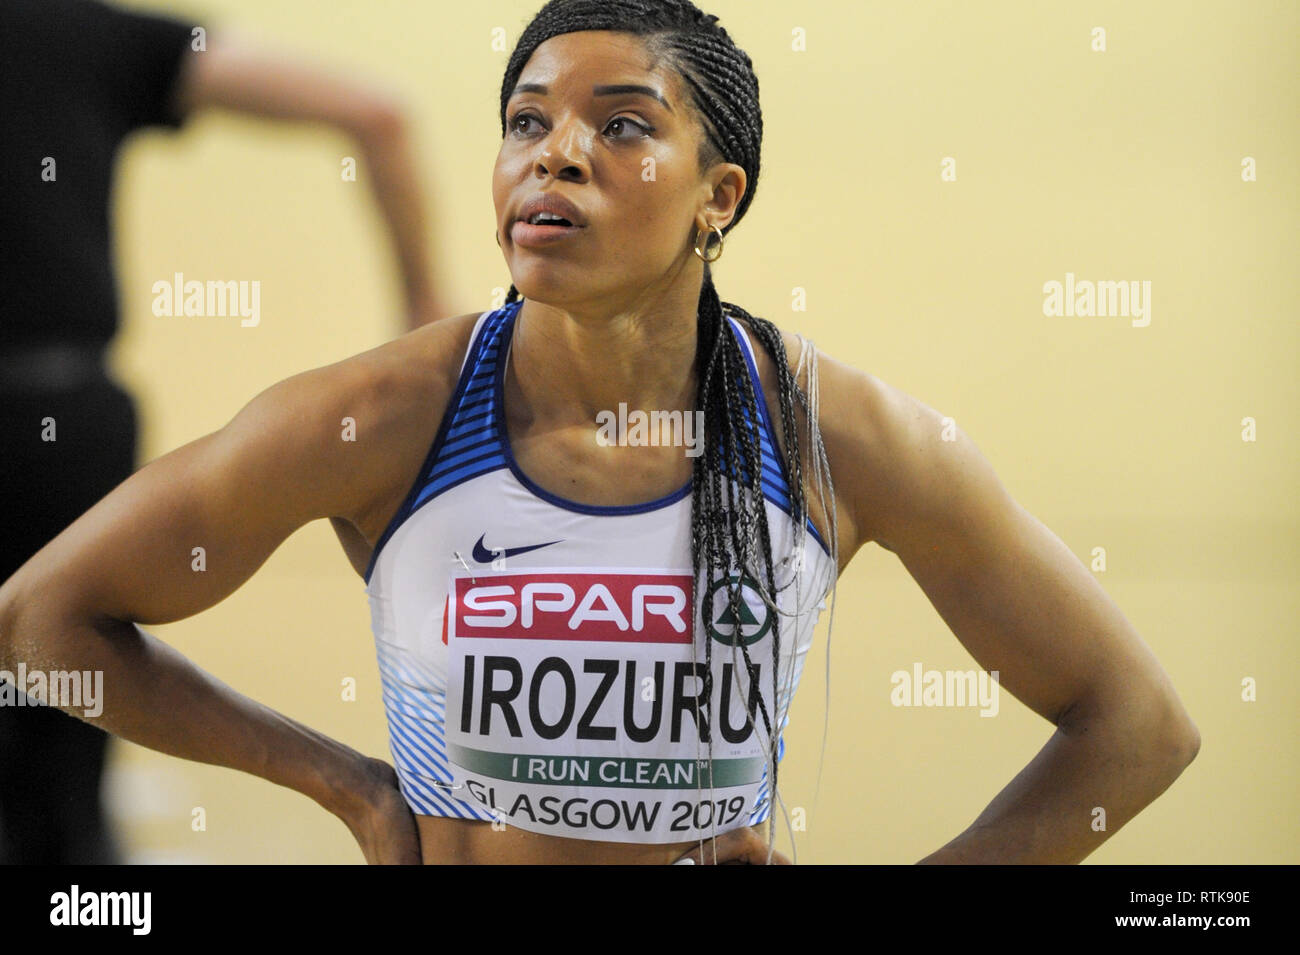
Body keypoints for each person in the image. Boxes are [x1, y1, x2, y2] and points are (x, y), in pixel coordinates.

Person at [0, 0, 1200, 865]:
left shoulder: (832, 430)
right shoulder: (388, 413)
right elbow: (38, 619)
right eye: (526, 123)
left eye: (621, 126)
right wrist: (347, 785)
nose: (556, 153)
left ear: (715, 195)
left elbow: (1135, 725)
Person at [0, 0, 445, 864]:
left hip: (60, 430)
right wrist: (424, 330)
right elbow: (375, 112)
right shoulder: (80, 29)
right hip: (59, 419)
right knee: (58, 796)